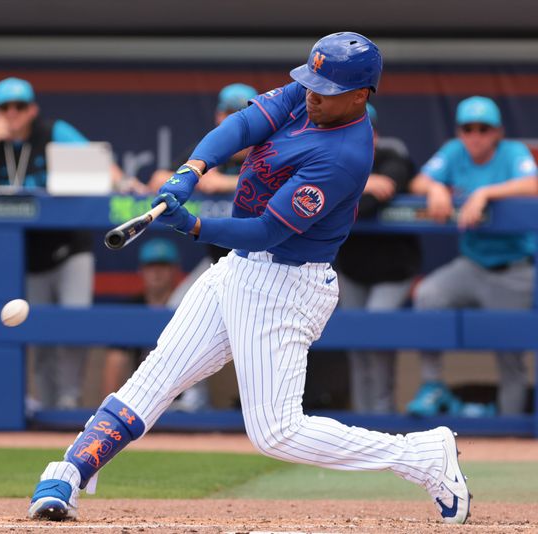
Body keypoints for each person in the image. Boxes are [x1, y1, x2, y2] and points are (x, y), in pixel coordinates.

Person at [27, 32, 470, 525]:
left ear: (360, 95)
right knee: (157, 377)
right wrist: (192, 169)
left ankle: (421, 456)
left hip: (286, 285)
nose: (312, 94)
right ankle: (69, 472)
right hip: (239, 269)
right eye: (311, 83)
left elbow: (266, 231)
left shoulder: (343, 155)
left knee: (276, 432)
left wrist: (194, 226)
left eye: (326, 89)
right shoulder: (309, 96)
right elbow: (243, 124)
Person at [0, 77, 98, 409]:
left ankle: (69, 400)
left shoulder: (53, 132)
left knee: (75, 325)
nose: (12, 113)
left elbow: (102, 170)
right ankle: (48, 403)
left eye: (20, 106)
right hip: (25, 253)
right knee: (35, 329)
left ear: (32, 110)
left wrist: (123, 181)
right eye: (5, 107)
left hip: (70, 245)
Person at [407, 96, 538, 417]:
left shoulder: (512, 152)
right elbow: (419, 181)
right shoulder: (454, 151)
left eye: (483, 128)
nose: (475, 135)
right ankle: (433, 384)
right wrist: (436, 188)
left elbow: (533, 184)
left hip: (513, 269)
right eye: (468, 128)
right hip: (471, 264)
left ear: (498, 132)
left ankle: (510, 431)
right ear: (459, 132)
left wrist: (485, 193)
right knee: (428, 295)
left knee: (510, 356)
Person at [148, 83, 258, 411]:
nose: (234, 119)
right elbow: (159, 178)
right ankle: (193, 400)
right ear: (219, 116)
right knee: (180, 308)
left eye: (242, 113)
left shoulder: (270, 147)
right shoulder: (214, 148)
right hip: (220, 261)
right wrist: (191, 178)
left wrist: (226, 183)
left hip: (264, 261)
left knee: (257, 334)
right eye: (229, 113)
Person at [334, 103, 421, 413]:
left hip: (394, 269)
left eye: (364, 129)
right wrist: (363, 182)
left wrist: (345, 188)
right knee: (356, 345)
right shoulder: (332, 161)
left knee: (376, 337)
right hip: (353, 268)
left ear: (375, 134)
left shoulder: (393, 157)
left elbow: (369, 205)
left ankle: (382, 416)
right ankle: (363, 416)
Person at [100, 238, 181, 397]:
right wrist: (109, 406)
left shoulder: (187, 302)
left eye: (163, 265)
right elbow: (115, 360)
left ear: (175, 270)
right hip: (146, 395)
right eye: (151, 265)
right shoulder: (131, 307)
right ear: (141, 270)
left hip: (185, 395)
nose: (156, 272)